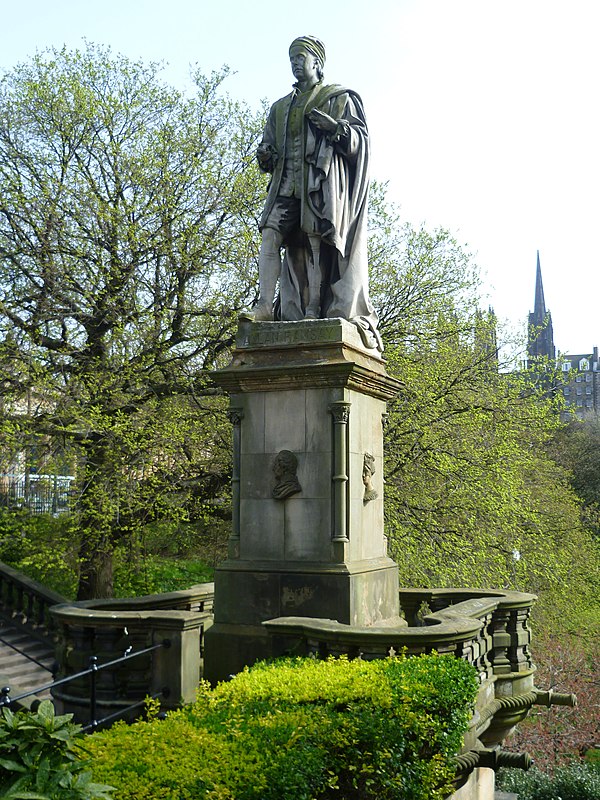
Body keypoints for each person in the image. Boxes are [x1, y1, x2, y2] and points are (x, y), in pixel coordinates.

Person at [241, 35, 382, 350]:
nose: (294, 64)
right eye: (291, 59)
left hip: (318, 188)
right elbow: (269, 150)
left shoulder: (339, 98)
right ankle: (265, 305)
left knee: (314, 243)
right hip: (285, 186)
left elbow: (362, 142)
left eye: (299, 58)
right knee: (270, 236)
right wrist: (266, 155)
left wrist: (336, 129)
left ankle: (312, 308)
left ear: (316, 63)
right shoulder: (279, 109)